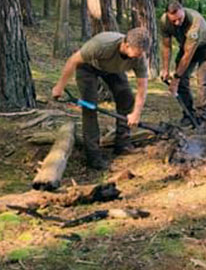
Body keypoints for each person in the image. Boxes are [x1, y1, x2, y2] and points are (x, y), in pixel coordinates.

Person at [52, 28, 149, 169]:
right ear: (126, 45)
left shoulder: (139, 57)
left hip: (113, 70)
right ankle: (93, 156)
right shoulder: (102, 45)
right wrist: (59, 87)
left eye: (142, 53)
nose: (140, 56)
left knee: (126, 99)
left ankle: (123, 144)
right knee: (90, 107)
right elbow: (72, 61)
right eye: (138, 52)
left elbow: (142, 88)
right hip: (88, 67)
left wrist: (136, 114)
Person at [159, 1, 206, 127]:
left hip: (205, 48)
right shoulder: (164, 21)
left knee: (203, 80)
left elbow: (187, 56)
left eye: (179, 19)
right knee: (182, 81)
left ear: (182, 11)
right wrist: (165, 69)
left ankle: (201, 117)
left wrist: (175, 79)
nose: (177, 23)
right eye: (173, 21)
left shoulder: (195, 23)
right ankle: (188, 114)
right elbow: (166, 46)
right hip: (185, 46)